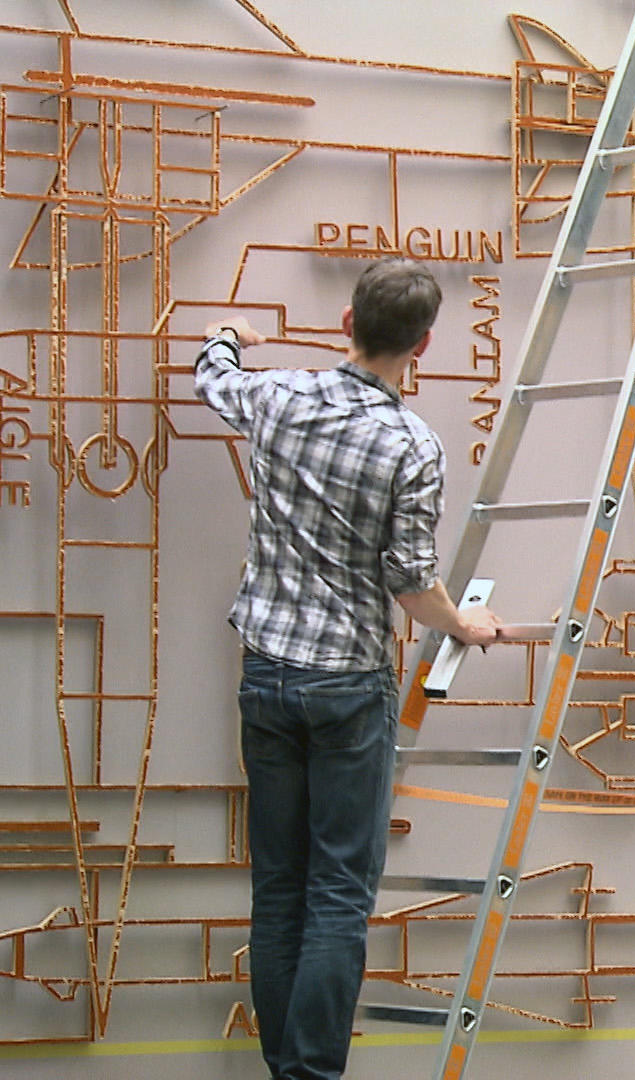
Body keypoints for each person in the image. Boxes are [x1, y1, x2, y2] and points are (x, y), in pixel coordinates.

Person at [194, 258, 501, 1080]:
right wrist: (461, 623)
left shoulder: (281, 397)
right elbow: (410, 583)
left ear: (345, 323)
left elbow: (211, 376)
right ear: (423, 344)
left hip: (267, 672)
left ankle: (286, 1072)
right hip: (347, 683)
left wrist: (231, 334)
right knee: (337, 896)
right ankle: (310, 1076)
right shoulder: (411, 444)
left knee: (280, 890)